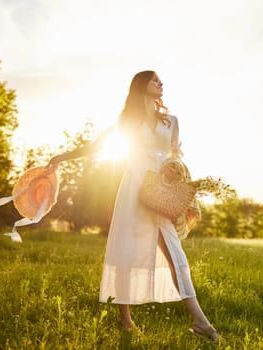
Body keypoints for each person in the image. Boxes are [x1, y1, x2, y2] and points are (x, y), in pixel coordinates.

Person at [48, 70, 220, 341]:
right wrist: (62, 157)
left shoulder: (171, 121)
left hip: (161, 191)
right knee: (126, 250)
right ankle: (125, 319)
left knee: (176, 255)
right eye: (155, 80)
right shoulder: (127, 122)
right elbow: (96, 147)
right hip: (134, 190)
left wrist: (176, 171)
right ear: (142, 86)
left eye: (160, 80)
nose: (161, 83)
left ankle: (201, 322)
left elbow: (177, 155)